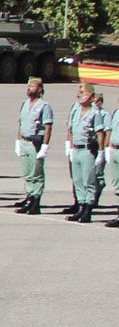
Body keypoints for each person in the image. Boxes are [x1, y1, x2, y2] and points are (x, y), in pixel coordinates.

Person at [14, 77, 53, 215]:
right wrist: (18, 141)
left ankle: (36, 202)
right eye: (28, 86)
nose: (29, 88)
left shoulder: (44, 106)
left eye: (32, 86)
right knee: (27, 174)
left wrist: (45, 146)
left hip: (35, 143)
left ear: (40, 89)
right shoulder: (25, 104)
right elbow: (21, 123)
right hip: (24, 142)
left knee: (36, 174)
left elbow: (48, 127)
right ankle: (29, 198)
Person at [66, 83, 102, 223]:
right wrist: (69, 146)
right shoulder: (76, 110)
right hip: (76, 148)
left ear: (91, 97)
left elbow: (100, 134)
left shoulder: (95, 113)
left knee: (89, 181)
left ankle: (88, 209)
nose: (80, 95)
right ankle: (81, 206)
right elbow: (70, 129)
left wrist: (101, 152)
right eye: (79, 92)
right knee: (78, 180)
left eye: (84, 93)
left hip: (88, 150)